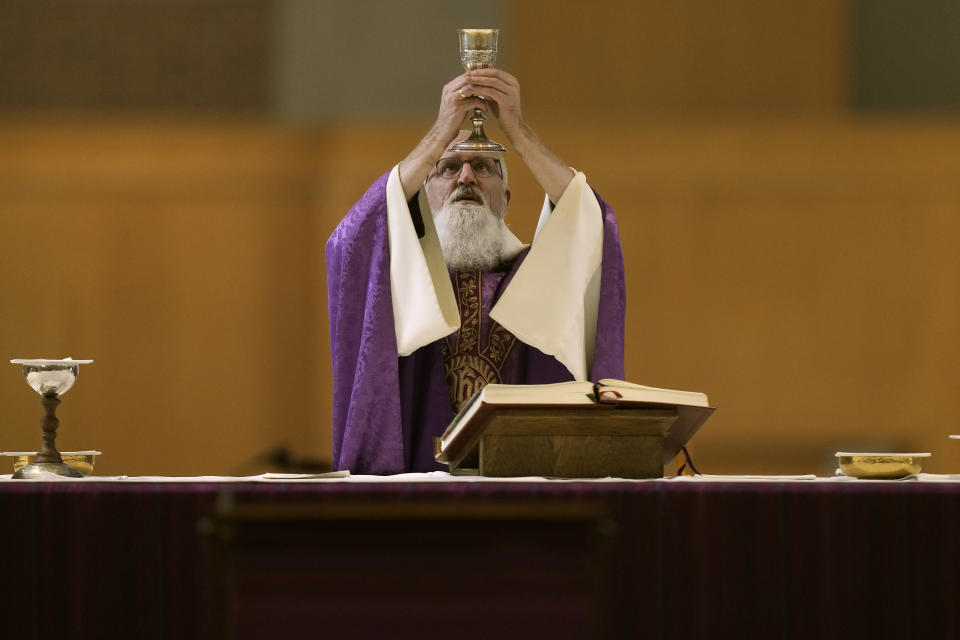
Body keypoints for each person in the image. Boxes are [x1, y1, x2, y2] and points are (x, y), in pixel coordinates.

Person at [326, 68, 625, 474]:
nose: (465, 177)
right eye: (447, 169)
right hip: (414, 485)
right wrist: (438, 134)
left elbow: (591, 224)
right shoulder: (405, 281)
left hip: (525, 485)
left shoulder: (540, 278)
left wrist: (516, 131)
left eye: (484, 167)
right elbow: (351, 243)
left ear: (506, 197)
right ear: (422, 197)